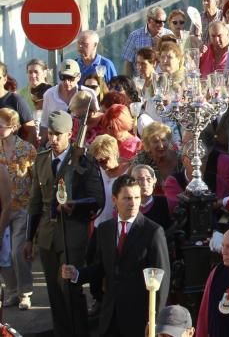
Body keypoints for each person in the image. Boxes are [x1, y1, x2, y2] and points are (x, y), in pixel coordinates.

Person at [24, 111, 105, 337]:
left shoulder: (84, 161)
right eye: (50, 134)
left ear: (70, 134)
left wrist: (75, 205)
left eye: (58, 134)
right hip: (48, 236)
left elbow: (98, 199)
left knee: (70, 290)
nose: (54, 139)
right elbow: (34, 202)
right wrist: (29, 239)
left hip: (72, 233)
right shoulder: (42, 159)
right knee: (54, 295)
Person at [60, 175, 170, 337]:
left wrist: (154, 320)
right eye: (127, 198)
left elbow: (161, 278)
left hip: (139, 318)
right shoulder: (105, 230)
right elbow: (101, 268)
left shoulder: (153, 231)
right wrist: (77, 274)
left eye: (137, 197)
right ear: (114, 199)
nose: (133, 203)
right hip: (110, 316)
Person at [0, 107, 37, 309]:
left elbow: (35, 179)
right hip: (1, 209)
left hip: (22, 207)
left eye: (1, 125)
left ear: (13, 127)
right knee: (3, 254)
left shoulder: (27, 149)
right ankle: (12, 290)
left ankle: (25, 292)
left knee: (17, 252)